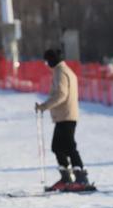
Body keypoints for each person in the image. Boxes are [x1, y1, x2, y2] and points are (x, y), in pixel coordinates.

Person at [35, 49, 93, 192]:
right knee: (57, 147)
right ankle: (66, 178)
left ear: (52, 60)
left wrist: (44, 106)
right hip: (64, 116)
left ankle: (81, 178)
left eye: (47, 61)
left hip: (66, 115)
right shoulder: (64, 70)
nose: (46, 64)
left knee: (69, 147)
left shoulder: (60, 72)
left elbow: (61, 94)